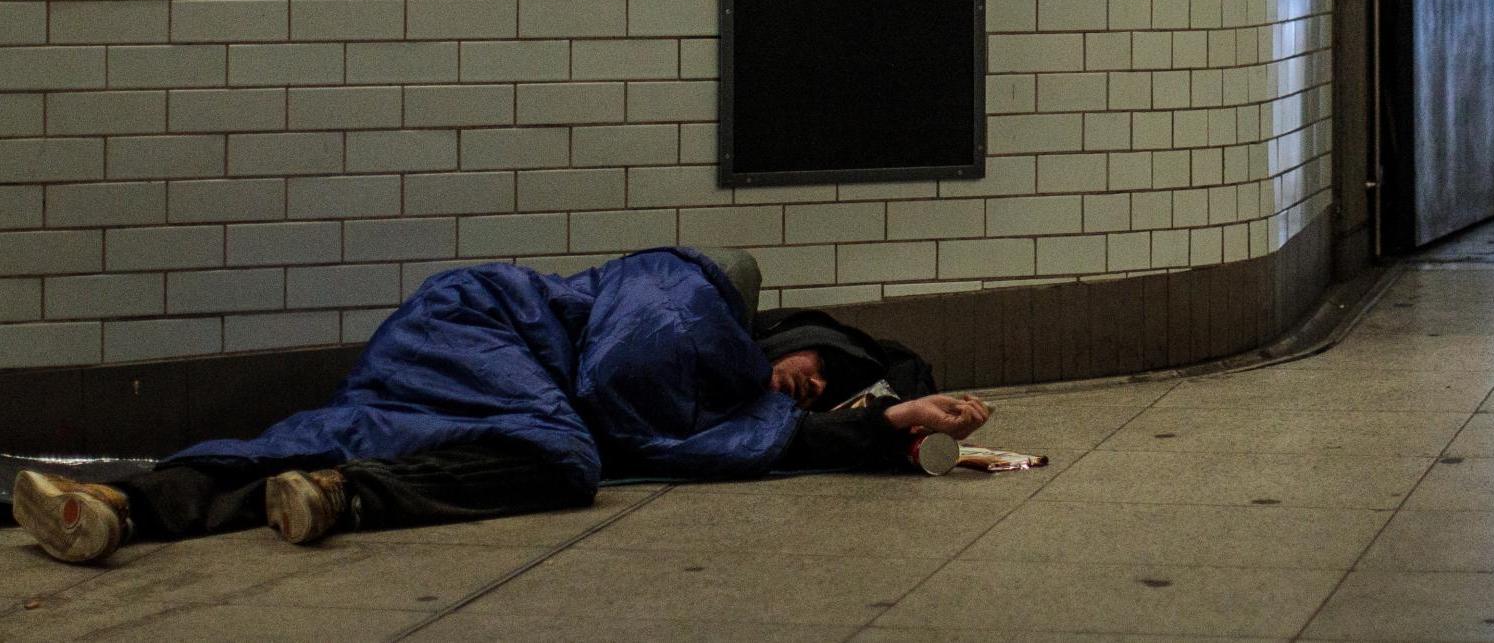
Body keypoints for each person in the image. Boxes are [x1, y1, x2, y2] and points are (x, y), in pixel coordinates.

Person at [10, 247, 991, 565]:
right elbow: (619, 389)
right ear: (786, 329)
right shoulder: (689, 286)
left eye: (828, 393)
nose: (810, 385)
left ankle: (123, 505)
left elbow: (713, 427)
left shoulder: (724, 384)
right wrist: (806, 429)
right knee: (561, 459)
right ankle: (351, 498)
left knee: (320, 436)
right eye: (823, 365)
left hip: (468, 343)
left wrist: (879, 425)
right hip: (486, 328)